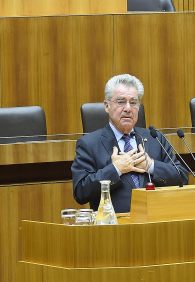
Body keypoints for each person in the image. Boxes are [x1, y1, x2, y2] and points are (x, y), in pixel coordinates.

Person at [72, 74, 186, 213]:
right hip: (115, 227)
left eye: (133, 102)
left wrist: (152, 166)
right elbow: (80, 192)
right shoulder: (89, 144)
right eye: (121, 102)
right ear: (107, 106)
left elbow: (182, 178)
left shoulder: (155, 138)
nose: (127, 108)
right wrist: (116, 169)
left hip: (155, 224)